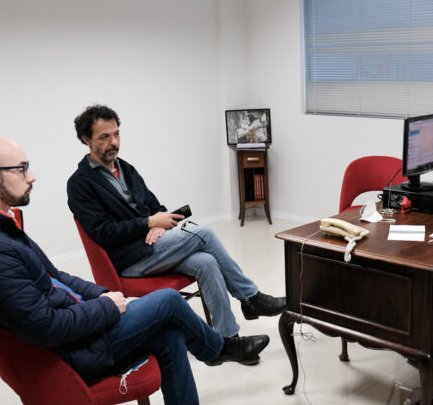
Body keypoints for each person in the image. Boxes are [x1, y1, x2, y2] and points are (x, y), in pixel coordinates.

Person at [0, 134, 270, 405]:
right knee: (170, 300)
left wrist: (103, 294)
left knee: (171, 331)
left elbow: (57, 277)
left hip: (79, 328)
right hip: (70, 353)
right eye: (21, 168)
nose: (32, 177)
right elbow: (45, 327)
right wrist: (108, 308)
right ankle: (218, 349)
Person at [67, 105, 285, 358]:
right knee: (204, 233)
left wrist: (158, 224)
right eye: (104, 137)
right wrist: (148, 223)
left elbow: (155, 206)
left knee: (206, 262)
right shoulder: (80, 183)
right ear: (86, 139)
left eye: (116, 134)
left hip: (152, 247)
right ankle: (250, 297)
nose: (113, 142)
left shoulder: (126, 168)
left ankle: (228, 340)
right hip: (129, 259)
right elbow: (102, 232)